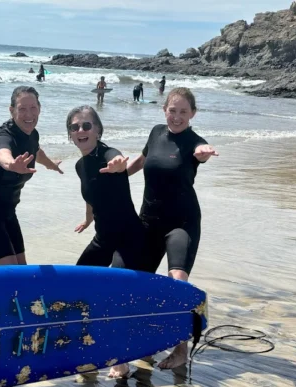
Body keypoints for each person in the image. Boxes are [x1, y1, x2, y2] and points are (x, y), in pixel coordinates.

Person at [124, 87, 218, 372]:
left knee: (176, 282)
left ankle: (180, 350)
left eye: (183, 112)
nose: (177, 117)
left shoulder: (194, 141)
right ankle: (137, 344)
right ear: (164, 109)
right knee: (136, 284)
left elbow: (201, 152)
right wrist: (117, 173)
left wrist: (204, 153)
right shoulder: (155, 133)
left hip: (182, 223)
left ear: (193, 114)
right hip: (148, 222)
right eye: (172, 110)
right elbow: (141, 161)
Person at [0, 86, 63, 265]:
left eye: (33, 108)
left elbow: (36, 151)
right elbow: (2, 152)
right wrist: (11, 164)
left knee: (21, 267)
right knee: (10, 270)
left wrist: (51, 165)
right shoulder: (5, 136)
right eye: (22, 109)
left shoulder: (32, 133)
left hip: (8, 211)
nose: (29, 114)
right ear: (12, 110)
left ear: (39, 109)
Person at [69, 105, 145, 271]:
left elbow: (117, 158)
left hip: (129, 239)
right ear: (71, 135)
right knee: (79, 277)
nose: (80, 130)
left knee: (118, 281)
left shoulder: (108, 154)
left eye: (87, 126)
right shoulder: (79, 166)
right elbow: (91, 195)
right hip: (103, 239)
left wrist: (118, 164)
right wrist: (88, 219)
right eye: (74, 127)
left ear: (97, 130)